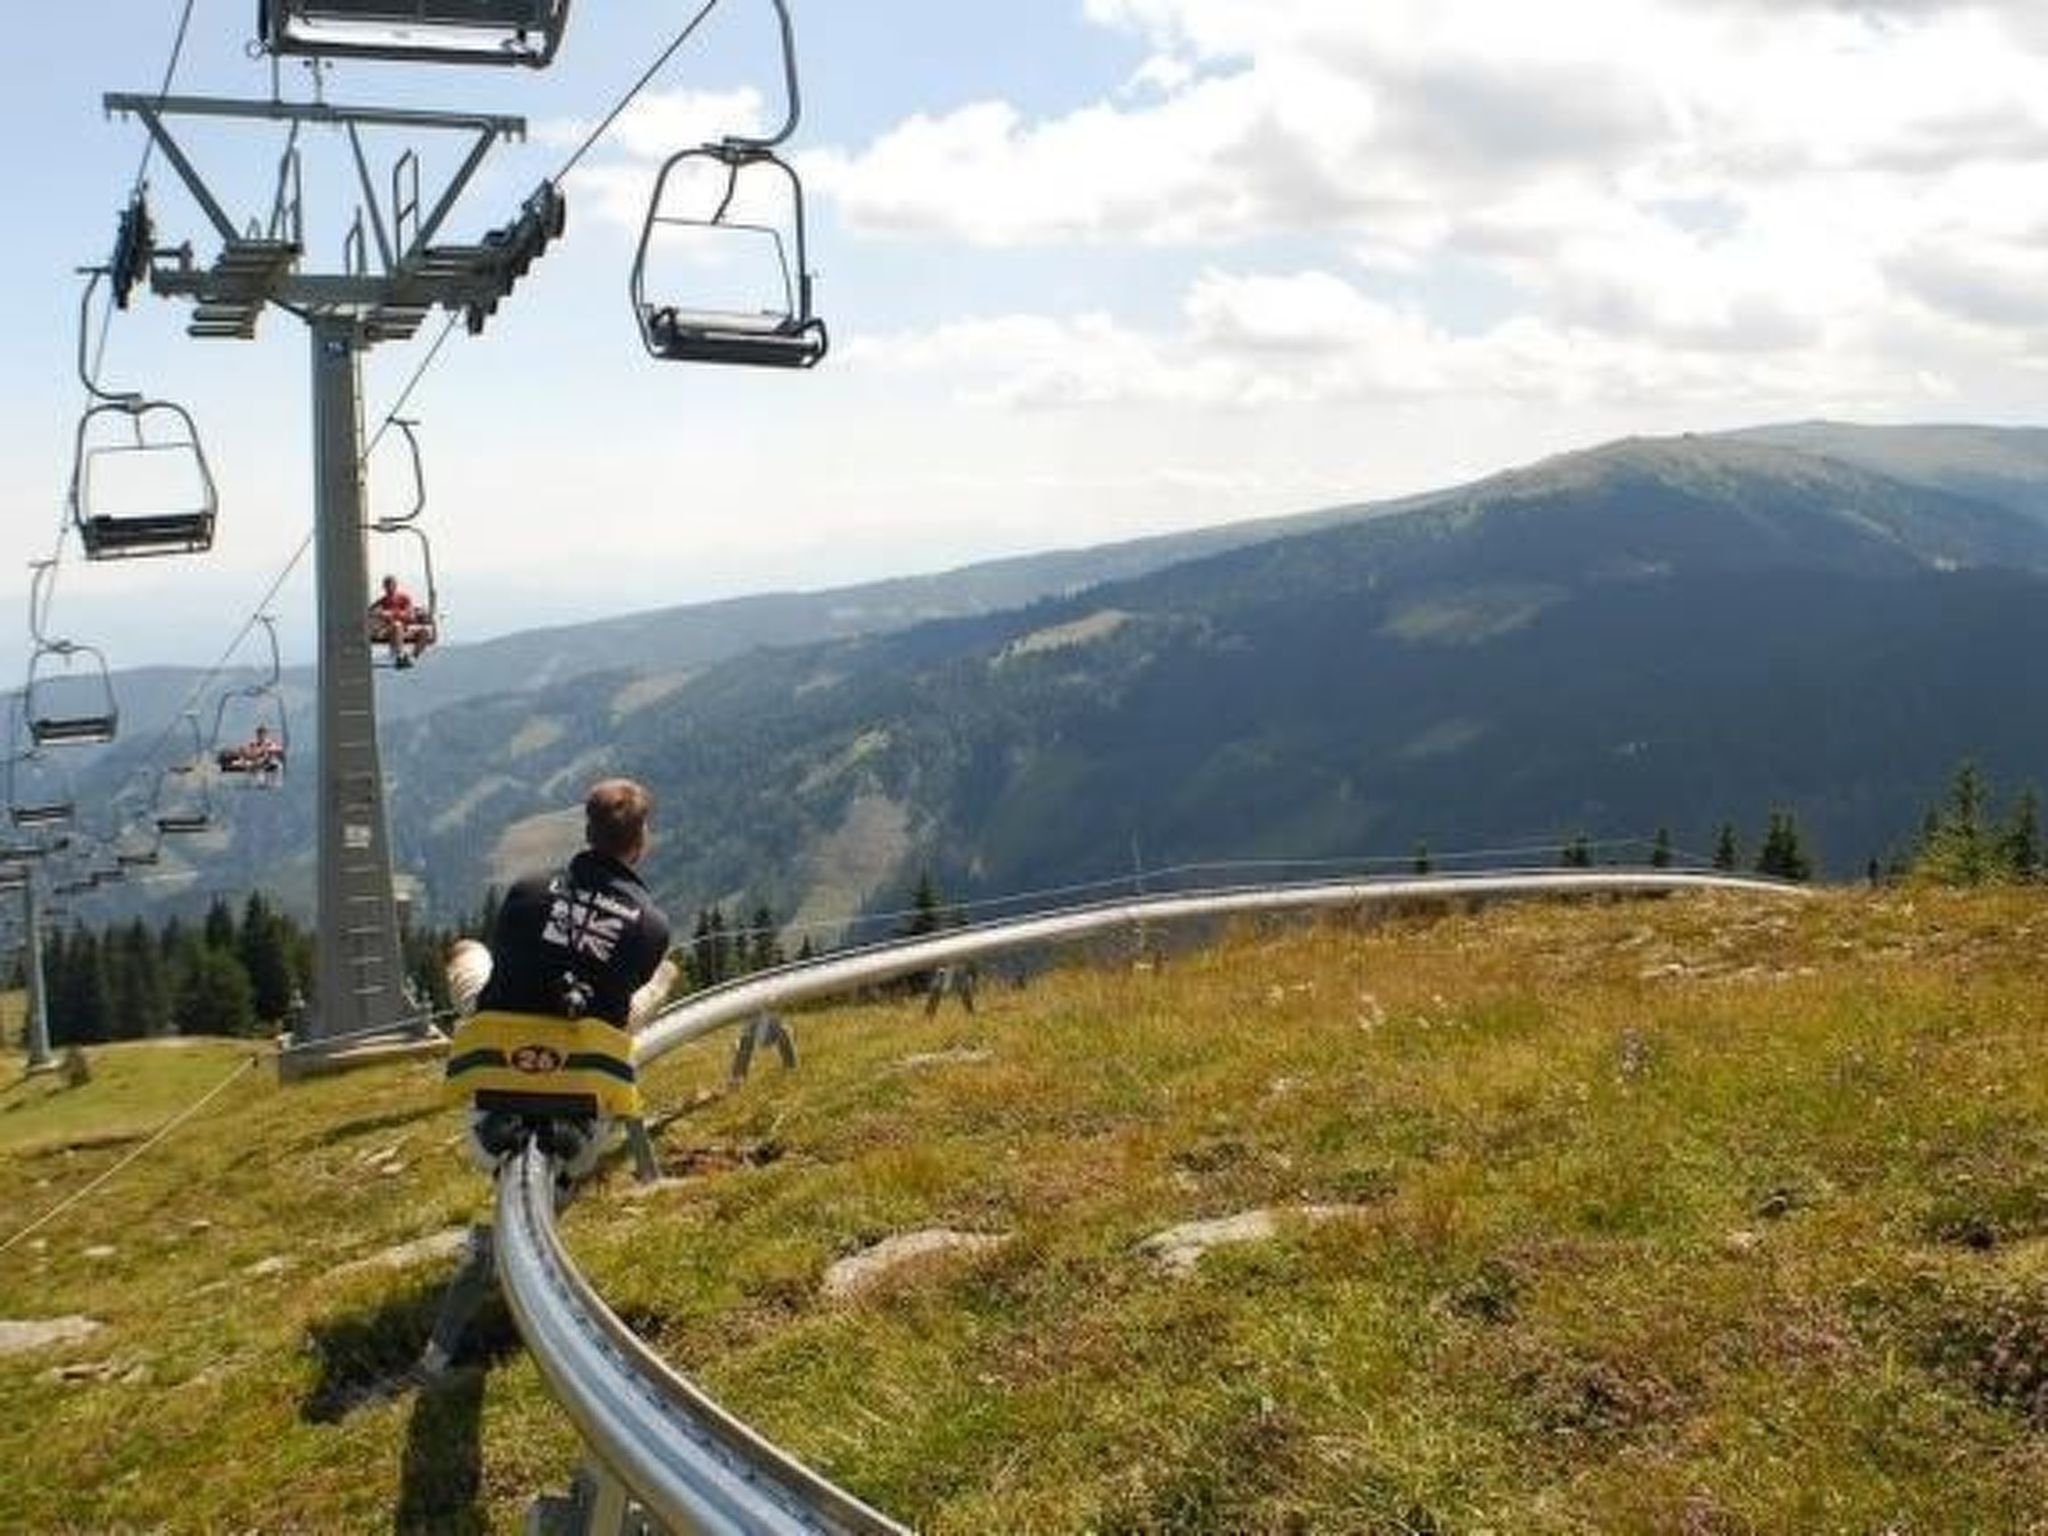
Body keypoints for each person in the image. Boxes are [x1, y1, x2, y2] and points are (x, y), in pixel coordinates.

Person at [451, 777, 673, 1179]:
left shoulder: (526, 891)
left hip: (493, 1084)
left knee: (469, 953)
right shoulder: (652, 927)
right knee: (659, 977)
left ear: (588, 833)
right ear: (640, 841)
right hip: (586, 1091)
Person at [367, 574, 434, 669]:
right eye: (386, 586)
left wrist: (392, 613)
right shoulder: (382, 602)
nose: (389, 588)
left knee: (424, 632)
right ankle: (399, 655)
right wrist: (379, 616)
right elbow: (371, 613)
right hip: (388, 630)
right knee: (397, 625)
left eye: (390, 585)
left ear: (395, 586)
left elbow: (409, 615)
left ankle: (412, 657)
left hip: (404, 630)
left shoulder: (404, 599)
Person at [216, 722, 285, 781]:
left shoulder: (270, 744)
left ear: (265, 734)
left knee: (261, 760)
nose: (260, 735)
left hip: (260, 763)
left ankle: (240, 766)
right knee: (230, 756)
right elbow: (246, 751)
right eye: (259, 733)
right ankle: (223, 765)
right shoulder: (253, 744)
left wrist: (267, 750)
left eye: (262, 733)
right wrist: (243, 752)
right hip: (250, 761)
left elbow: (277, 749)